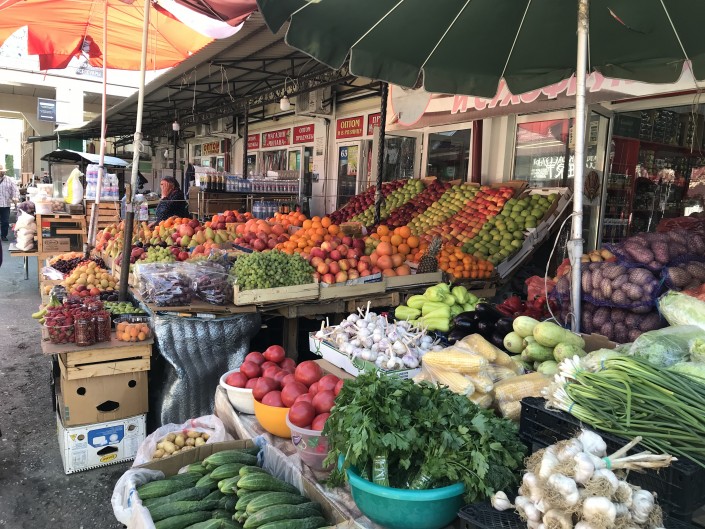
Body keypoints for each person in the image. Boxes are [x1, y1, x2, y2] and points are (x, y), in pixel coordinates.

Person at [0, 164, 19, 241]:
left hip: (5, 204)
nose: (3, 172)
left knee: (5, 221)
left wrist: (15, 198)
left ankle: (3, 236)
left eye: (3, 171)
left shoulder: (9, 180)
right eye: (1, 171)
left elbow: (15, 190)